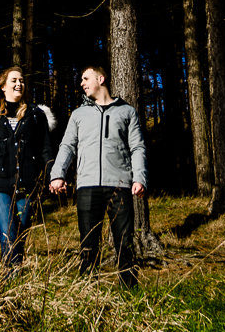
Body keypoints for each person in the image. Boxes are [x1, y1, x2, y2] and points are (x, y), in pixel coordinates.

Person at [48, 65, 147, 287]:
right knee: (88, 245)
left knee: (124, 244)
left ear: (100, 78)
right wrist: (58, 175)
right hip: (87, 186)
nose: (82, 83)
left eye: (85, 78)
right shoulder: (78, 115)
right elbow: (67, 146)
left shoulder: (127, 112)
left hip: (120, 185)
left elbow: (137, 148)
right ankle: (87, 292)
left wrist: (139, 178)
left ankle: (129, 295)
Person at [0, 66, 57, 272]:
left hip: (27, 184)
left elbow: (46, 149)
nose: (19, 84)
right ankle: (11, 284)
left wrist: (54, 175)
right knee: (9, 235)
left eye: (22, 81)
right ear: (3, 86)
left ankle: (8, 284)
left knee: (19, 238)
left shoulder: (36, 114)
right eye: (14, 80)